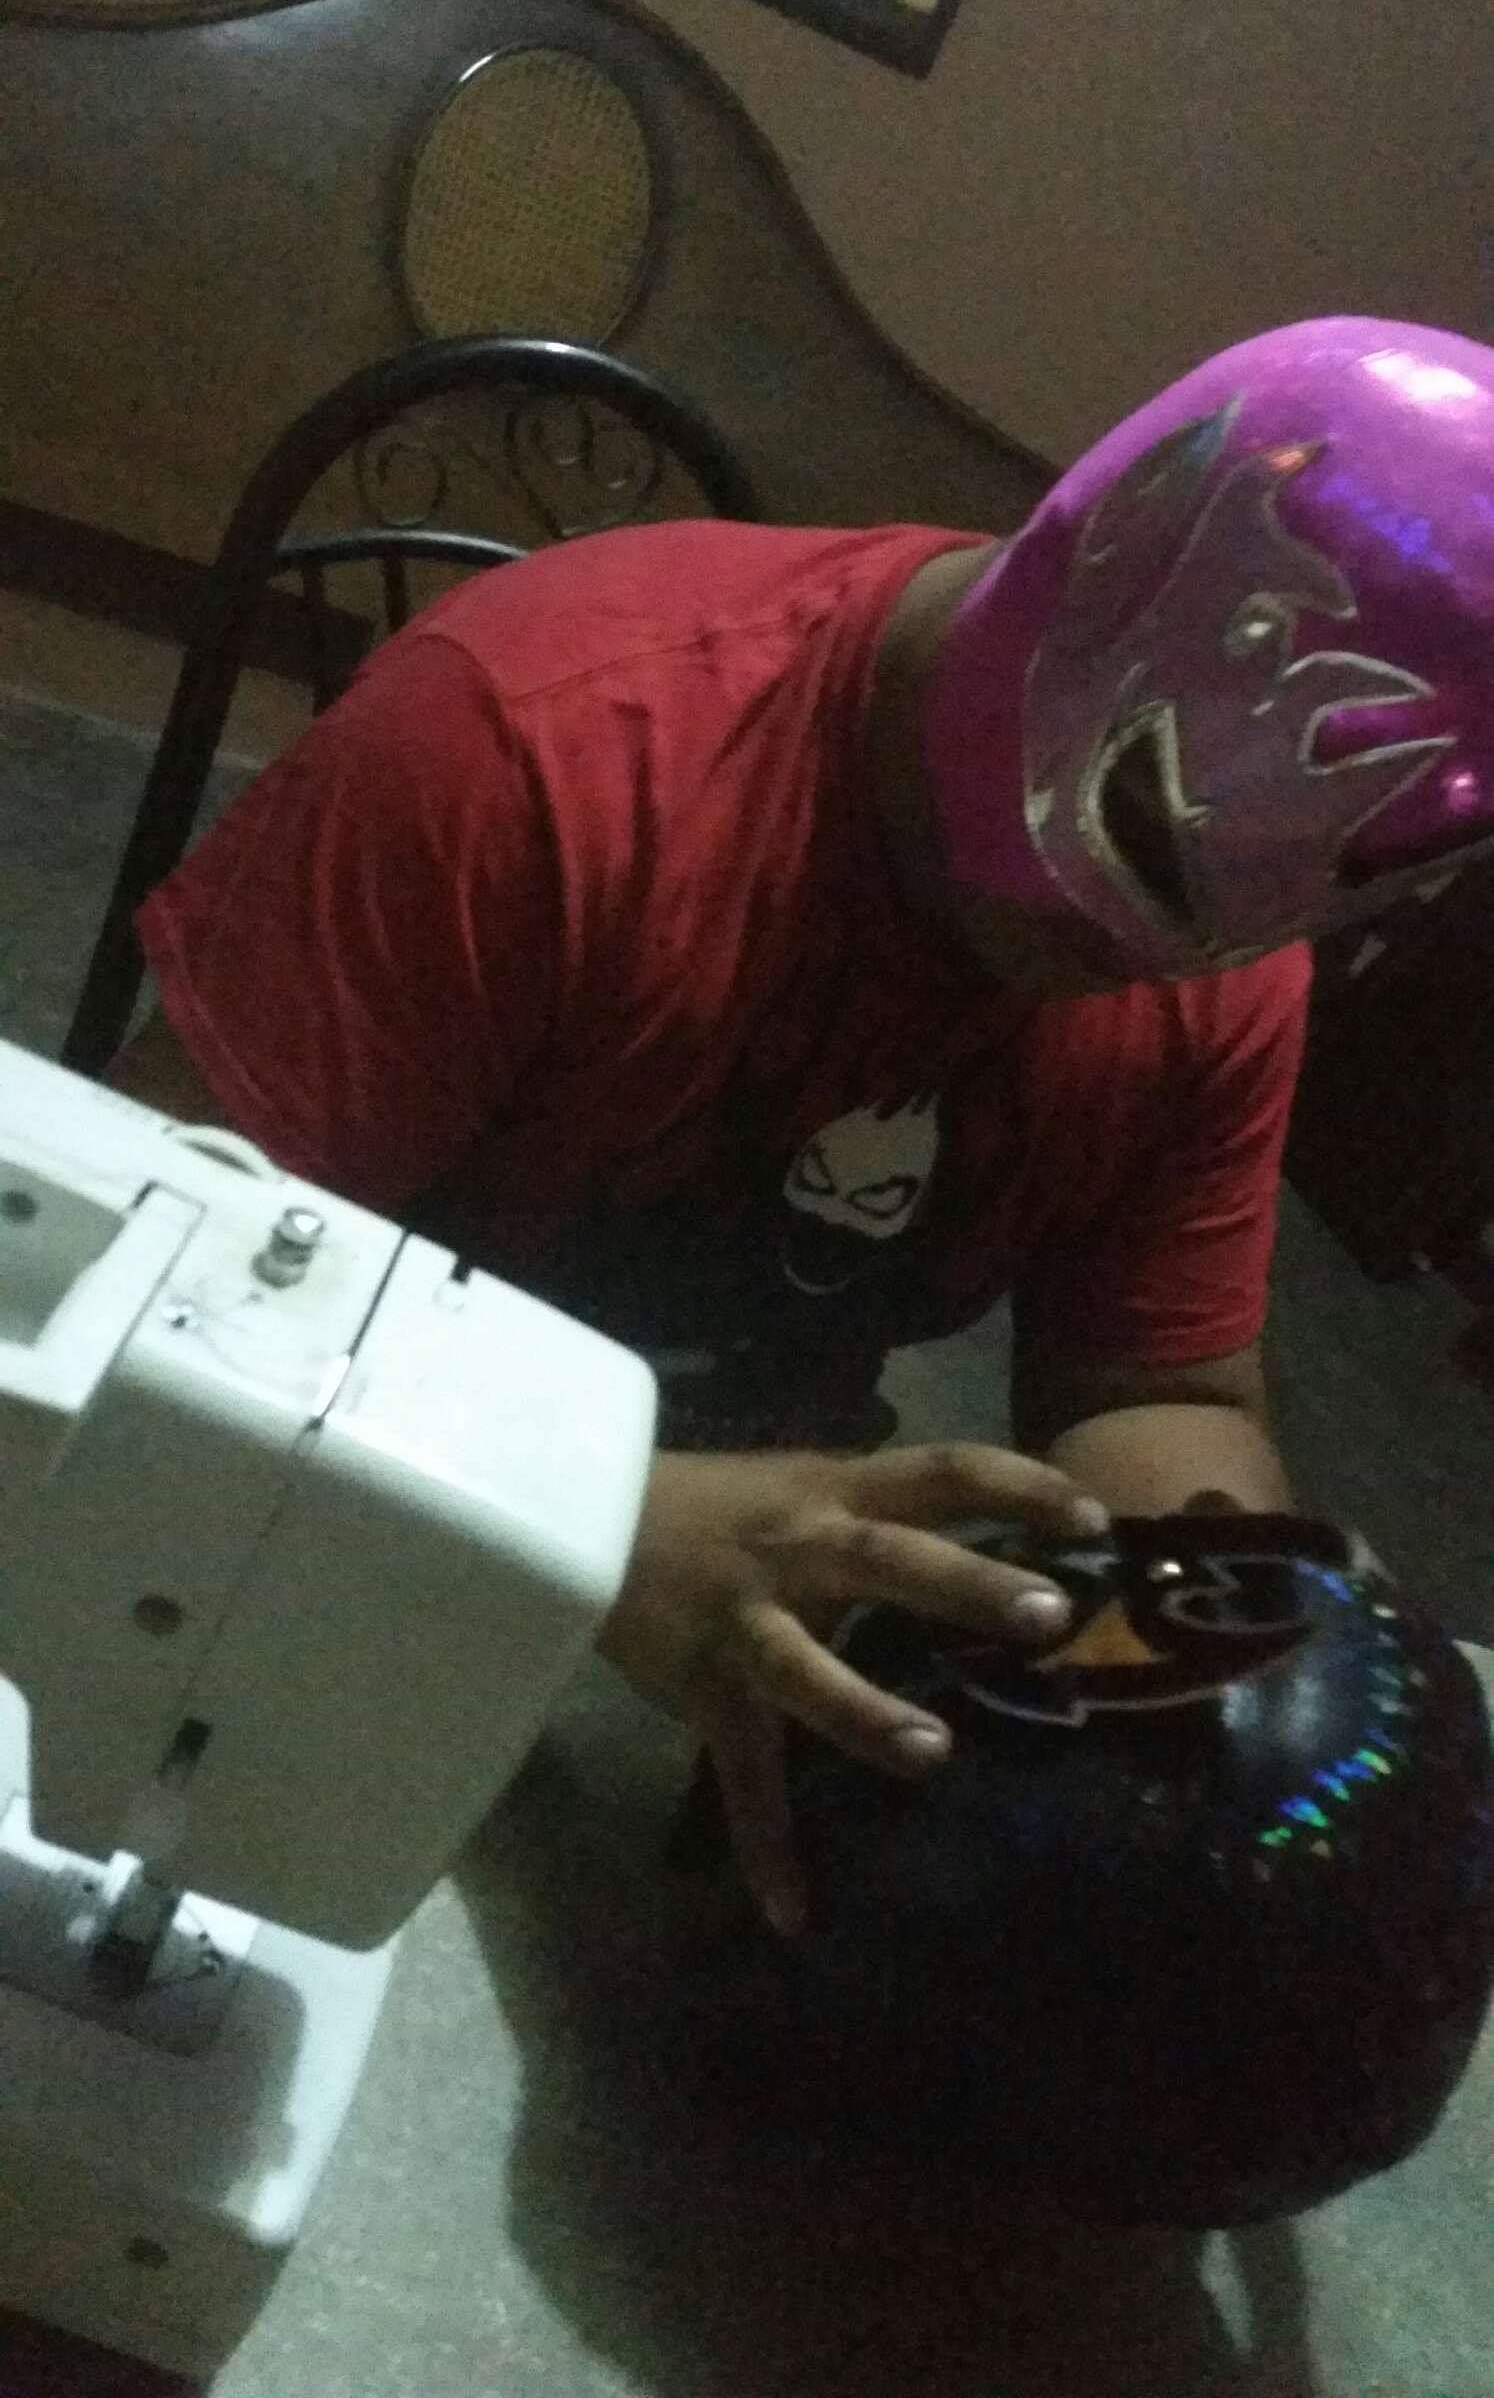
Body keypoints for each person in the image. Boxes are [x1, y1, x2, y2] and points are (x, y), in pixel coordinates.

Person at [108, 317, 1494, 1933]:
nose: (1133, 963)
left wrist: (1250, 1631)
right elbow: (131, 1284)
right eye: (1132, 846)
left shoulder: (1215, 966)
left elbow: (1148, 1388)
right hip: (300, 1528)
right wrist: (582, 1520)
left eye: (1231, 929)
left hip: (751, 1589)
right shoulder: (536, 745)